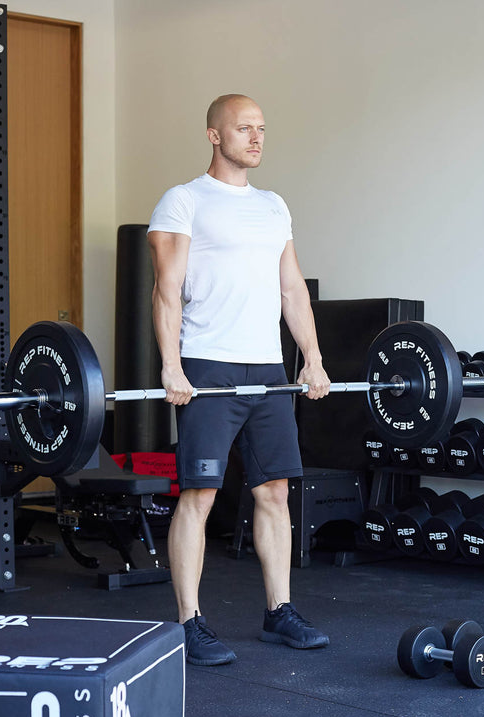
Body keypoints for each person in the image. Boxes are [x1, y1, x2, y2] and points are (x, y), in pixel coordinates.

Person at [147, 94, 331, 665]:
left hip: (268, 371)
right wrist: (171, 364)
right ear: (213, 135)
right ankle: (188, 622)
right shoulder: (183, 202)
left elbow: (292, 288)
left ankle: (280, 612)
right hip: (208, 366)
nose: (256, 138)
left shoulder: (274, 206)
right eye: (244, 128)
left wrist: (313, 357)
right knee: (199, 495)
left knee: (274, 491)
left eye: (261, 129)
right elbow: (167, 288)